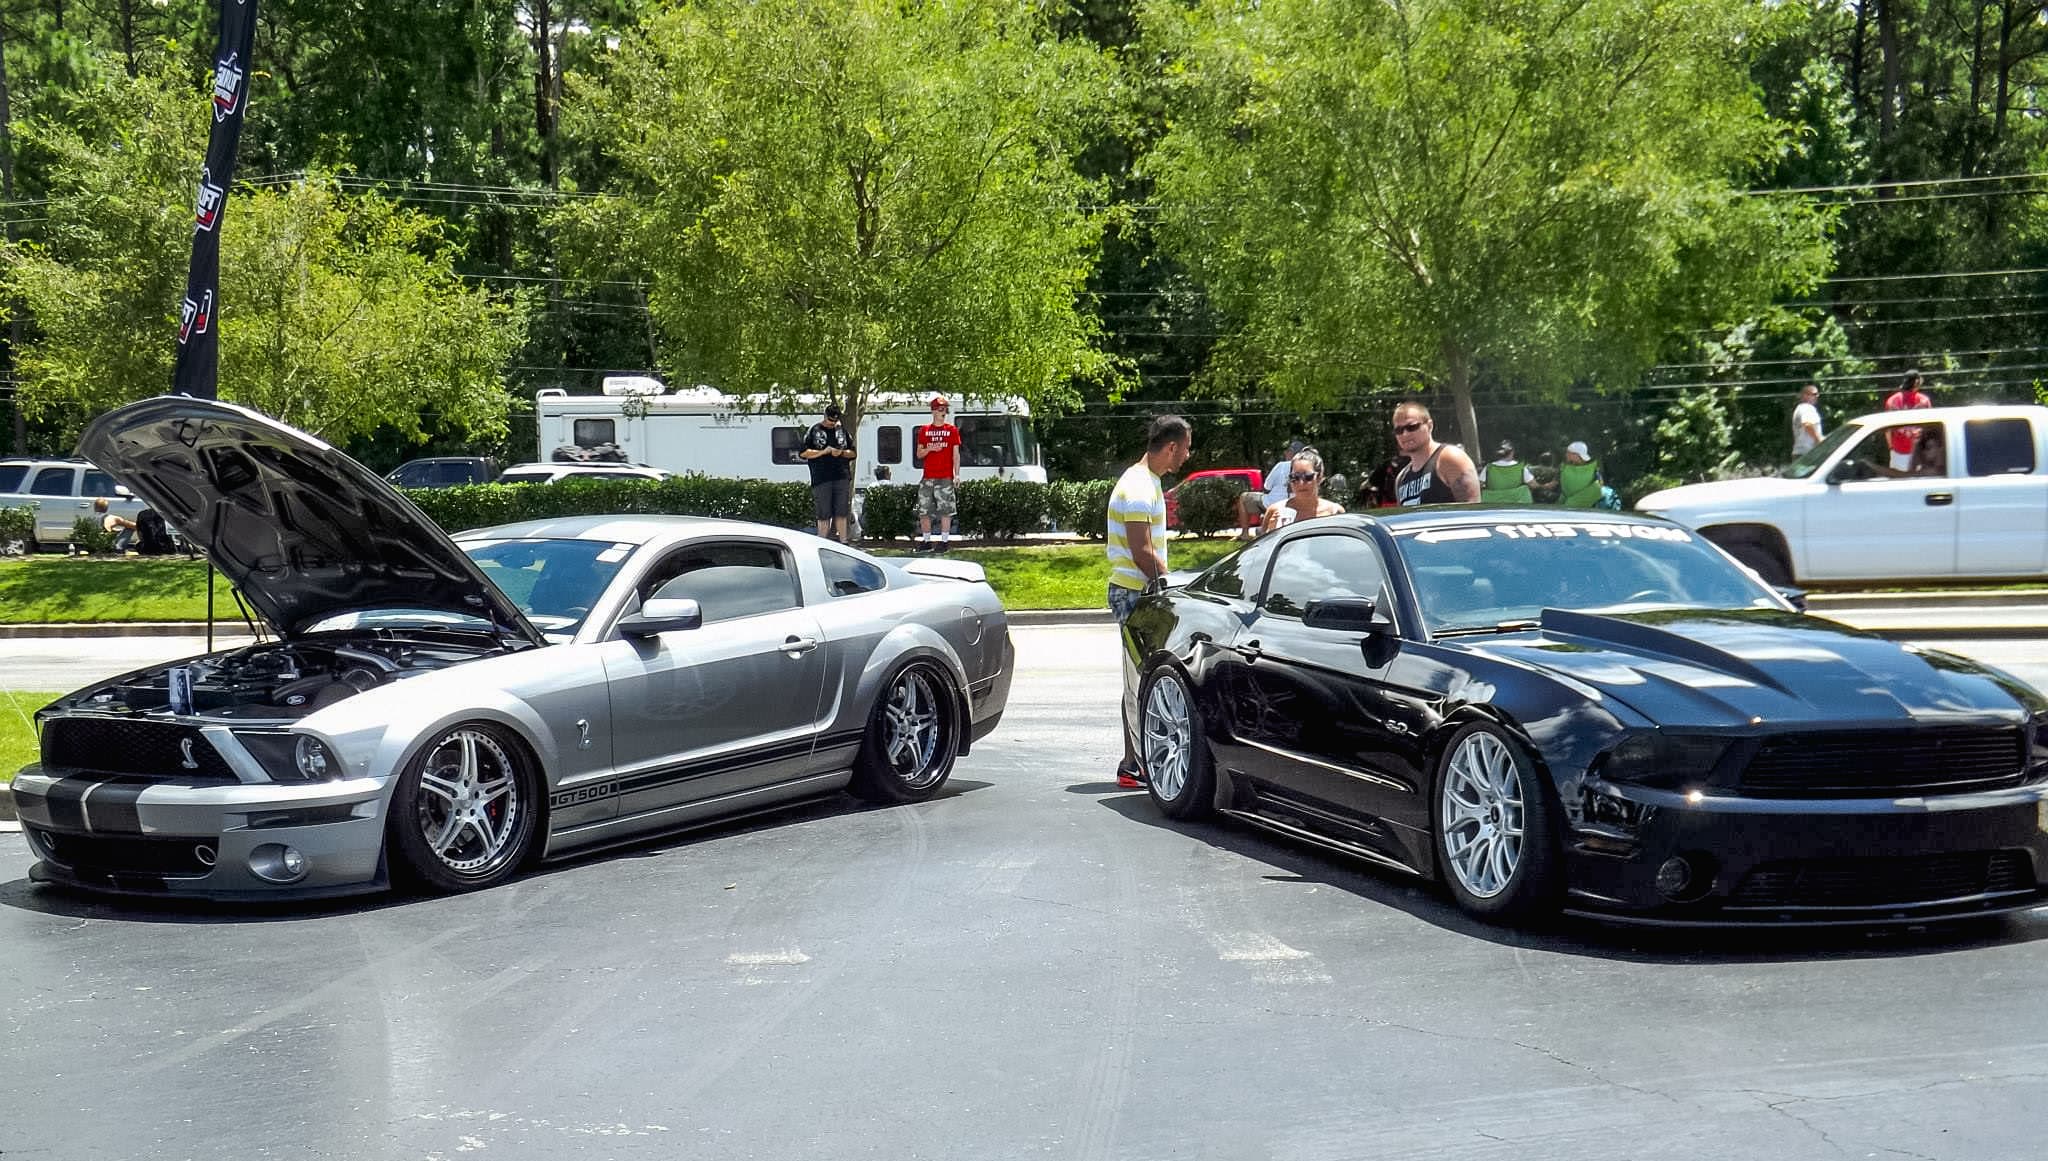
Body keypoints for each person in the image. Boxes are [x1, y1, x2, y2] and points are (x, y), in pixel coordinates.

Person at [1108, 413, 1193, 788]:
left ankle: (1132, 764)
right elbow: (1142, 552)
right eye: (1186, 448)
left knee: (1137, 679)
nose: (1188, 456)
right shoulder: (1140, 487)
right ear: (1171, 446)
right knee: (1141, 682)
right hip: (1136, 594)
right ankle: (1139, 765)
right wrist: (1168, 585)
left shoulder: (1145, 481)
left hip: (1135, 591)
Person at [1390, 402, 1480, 506]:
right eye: (1399, 430)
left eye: (1412, 427)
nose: (1405, 434)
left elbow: (1471, 511)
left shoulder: (1449, 458)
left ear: (1429, 426)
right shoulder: (1401, 478)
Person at [799, 403, 856, 542]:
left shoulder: (842, 431)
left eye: (835, 420)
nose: (832, 423)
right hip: (821, 477)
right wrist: (824, 452)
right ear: (825, 416)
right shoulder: (814, 430)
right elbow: (804, 453)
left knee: (841, 511)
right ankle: (822, 541)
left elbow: (853, 453)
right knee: (823, 513)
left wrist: (841, 452)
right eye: (830, 420)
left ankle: (844, 541)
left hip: (841, 476)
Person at [913, 395, 961, 552]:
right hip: (928, 476)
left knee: (946, 510)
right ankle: (926, 541)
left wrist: (957, 474)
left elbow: (956, 454)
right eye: (941, 409)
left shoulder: (952, 430)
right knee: (924, 510)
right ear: (933, 411)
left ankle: (944, 542)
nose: (944, 412)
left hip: (945, 476)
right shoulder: (924, 430)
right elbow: (919, 454)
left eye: (945, 409)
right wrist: (930, 449)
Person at [1260, 448, 1345, 534]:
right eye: (1294, 477)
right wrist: (1271, 531)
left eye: (1308, 477)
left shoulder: (1334, 512)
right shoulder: (1275, 511)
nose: (1301, 483)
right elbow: (1264, 546)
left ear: (1319, 478)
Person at [1883, 369, 1933, 472]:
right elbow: (1930, 428)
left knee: (1898, 484)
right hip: (1920, 453)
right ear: (1916, 382)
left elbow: (1887, 430)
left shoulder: (1892, 401)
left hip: (1898, 452)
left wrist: (1891, 449)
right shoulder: (1924, 401)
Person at [1479, 440, 1534, 504]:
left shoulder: (1489, 467)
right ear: (1512, 452)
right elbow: (1532, 484)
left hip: (1493, 502)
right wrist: (1543, 486)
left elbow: (1479, 485)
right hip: (1517, 502)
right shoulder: (1520, 467)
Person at [1557, 441, 1607, 508]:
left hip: (1577, 508)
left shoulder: (1594, 468)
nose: (1566, 455)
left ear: (1576, 455)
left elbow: (1600, 484)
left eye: (1569, 453)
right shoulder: (1565, 467)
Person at [1261, 438, 1305, 508]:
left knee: (1245, 498)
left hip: (1274, 503)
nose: (1285, 453)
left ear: (1292, 453)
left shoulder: (1281, 465)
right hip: (1295, 505)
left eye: (1288, 451)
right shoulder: (1305, 467)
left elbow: (1267, 486)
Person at [1791, 383, 1824, 458]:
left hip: (1800, 452)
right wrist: (1819, 440)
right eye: (1814, 394)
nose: (1817, 396)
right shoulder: (1807, 408)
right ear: (1805, 395)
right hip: (1807, 453)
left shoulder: (1800, 408)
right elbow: (1807, 424)